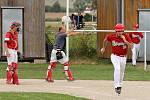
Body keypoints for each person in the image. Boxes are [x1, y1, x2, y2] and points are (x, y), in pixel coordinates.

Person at [101, 23, 133, 95]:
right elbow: (105, 40)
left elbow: (131, 46)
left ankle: (120, 86)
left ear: (123, 31)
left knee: (121, 72)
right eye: (118, 31)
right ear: (115, 31)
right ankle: (116, 86)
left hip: (123, 57)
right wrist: (103, 48)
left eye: (121, 31)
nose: (119, 32)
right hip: (114, 56)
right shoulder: (111, 36)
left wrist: (125, 41)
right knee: (117, 69)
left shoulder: (126, 36)